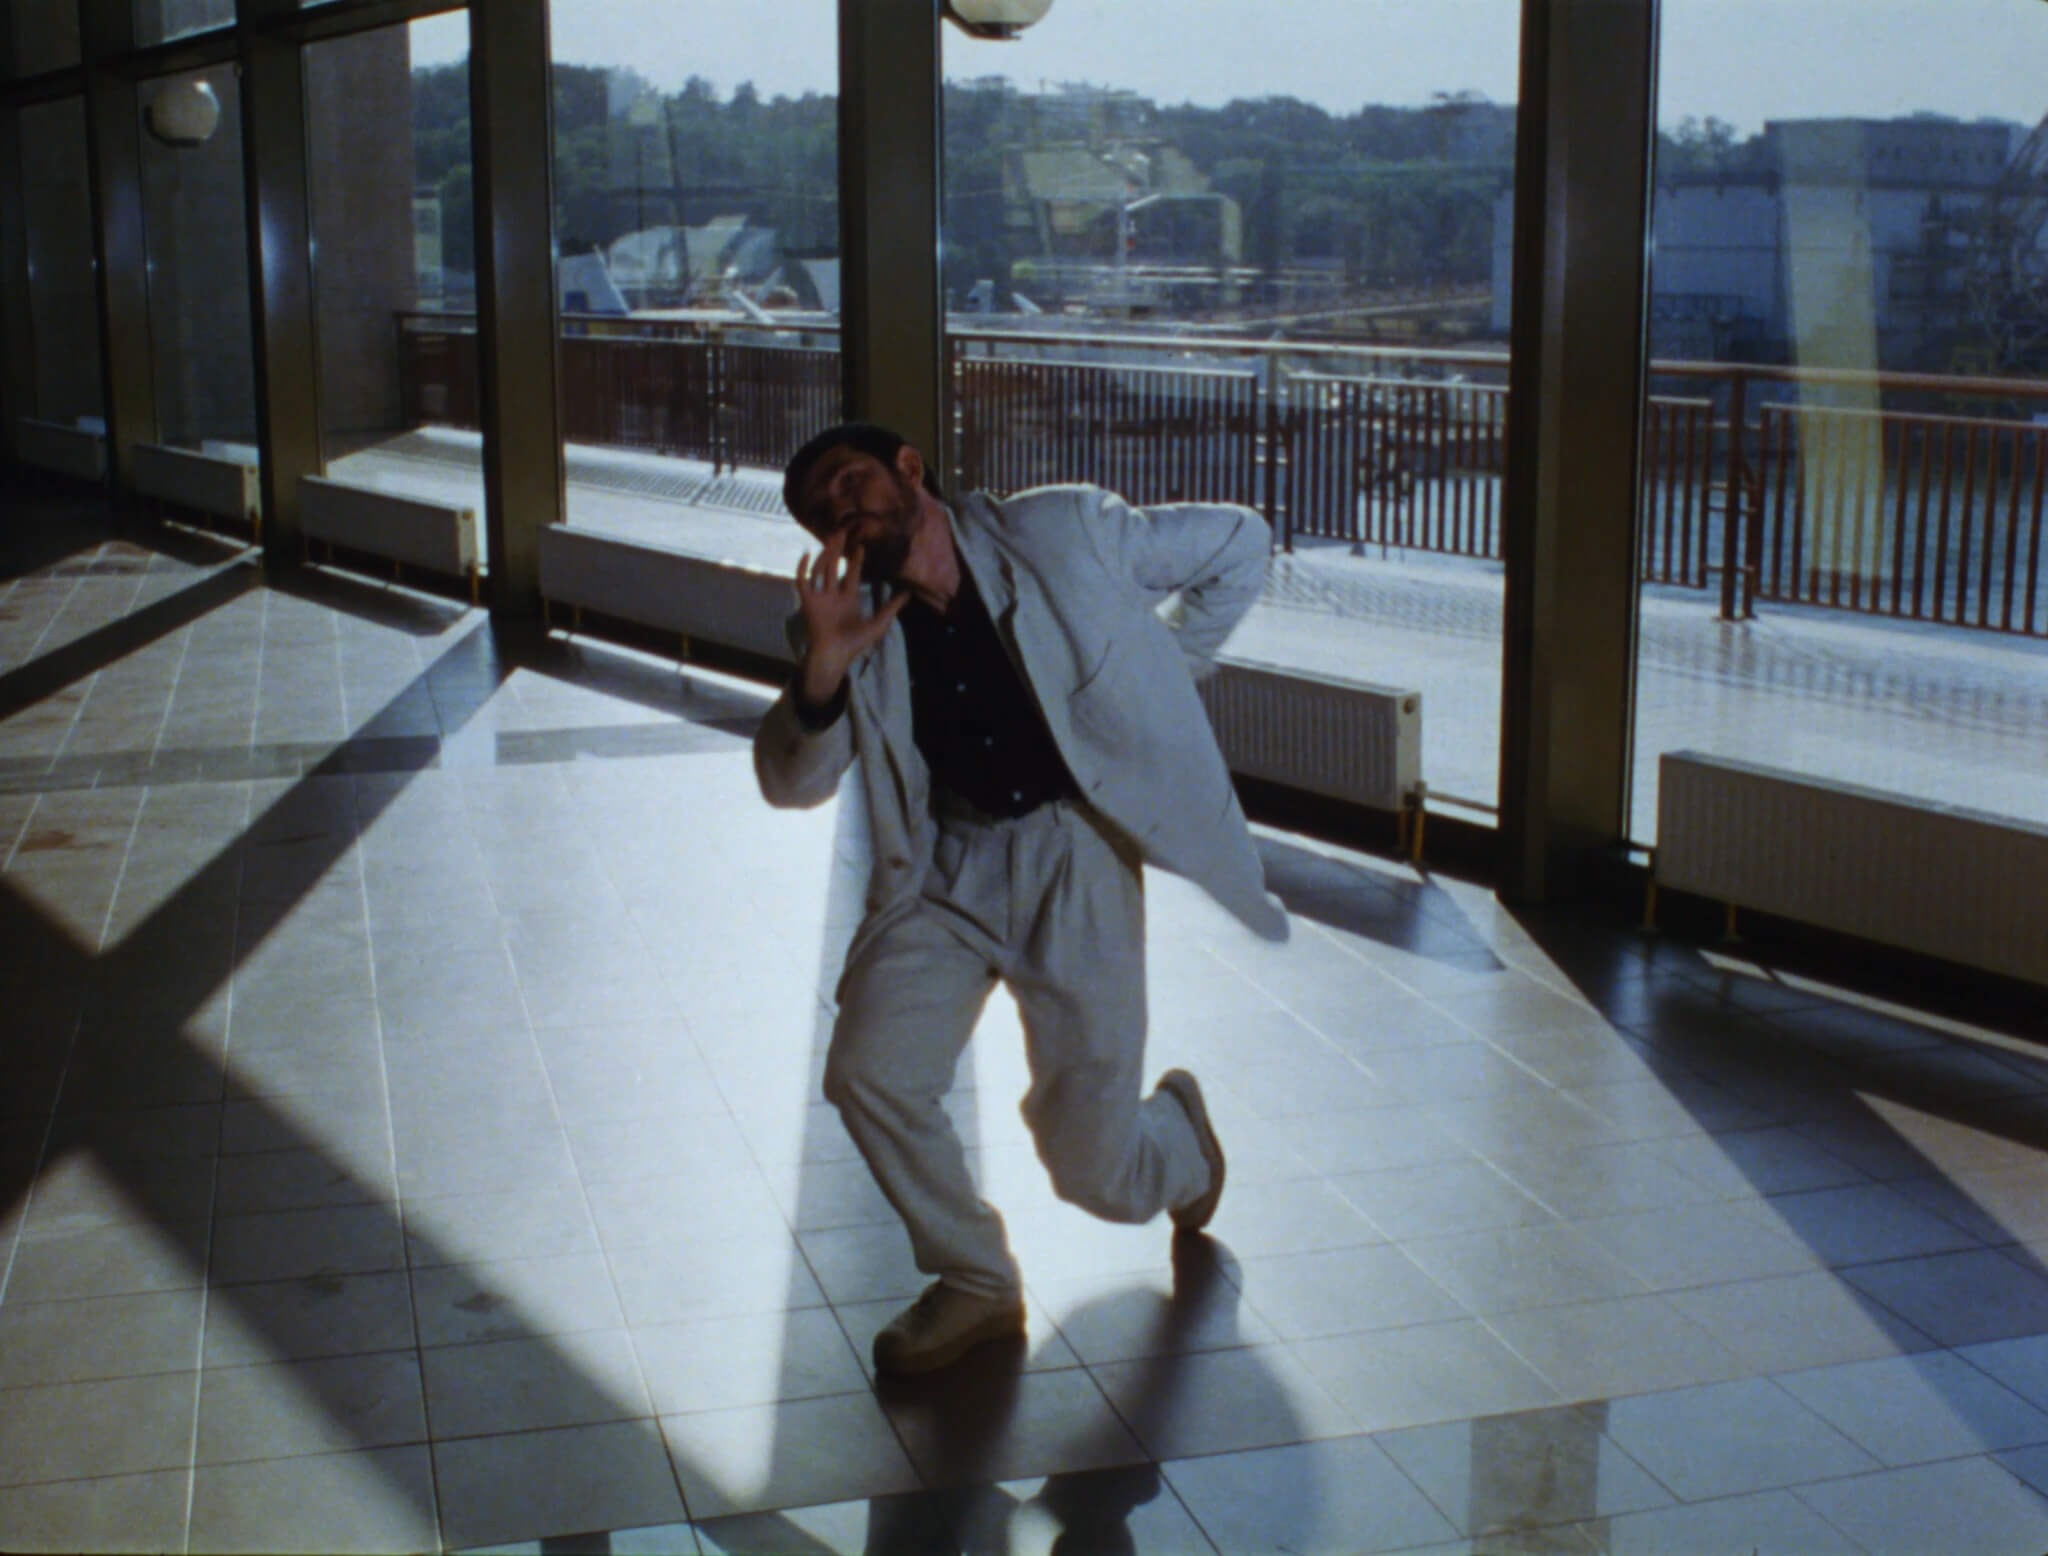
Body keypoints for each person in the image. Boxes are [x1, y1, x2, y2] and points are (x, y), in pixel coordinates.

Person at [753, 422, 1287, 1375]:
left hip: (1072, 855)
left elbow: (1240, 541)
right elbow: (792, 785)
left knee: (1092, 1170)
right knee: (868, 1069)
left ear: (910, 468)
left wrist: (1161, 669)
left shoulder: (1063, 531)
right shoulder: (839, 626)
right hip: (943, 867)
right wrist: (823, 669)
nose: (841, 509)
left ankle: (1181, 1143)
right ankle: (977, 1281)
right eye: (819, 511)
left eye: (850, 479)